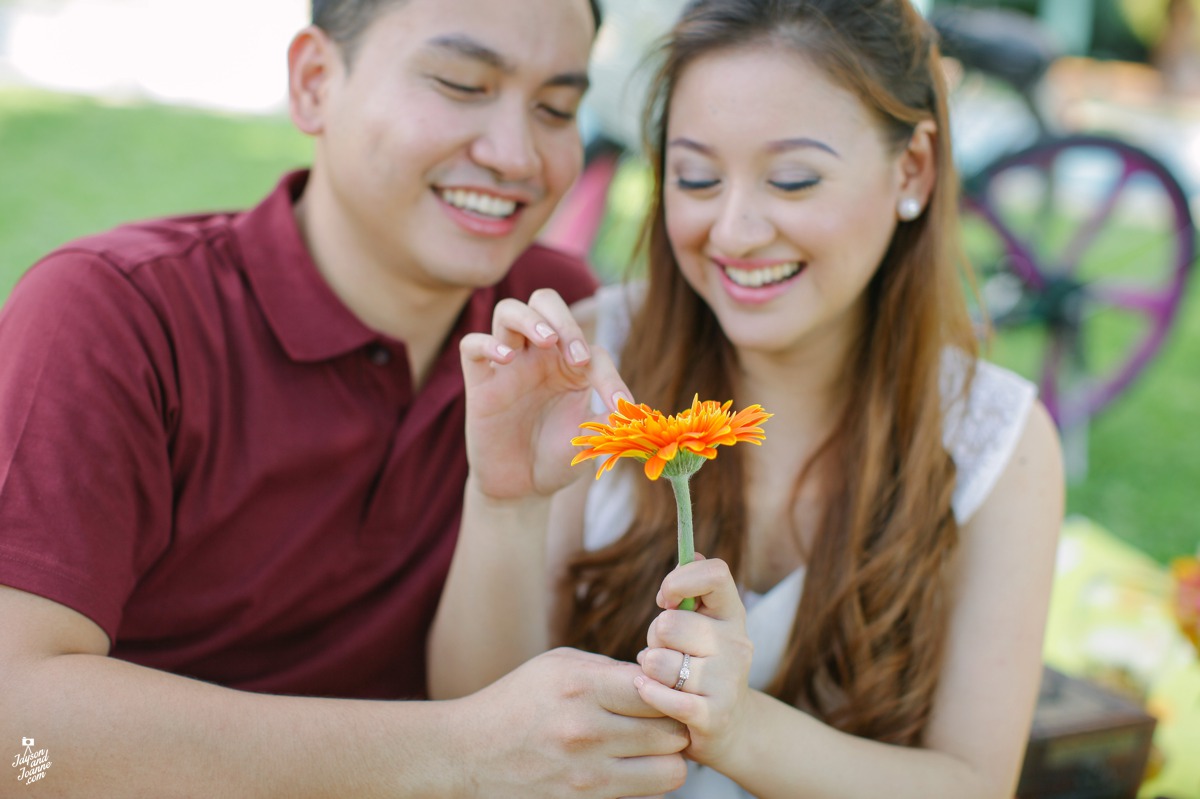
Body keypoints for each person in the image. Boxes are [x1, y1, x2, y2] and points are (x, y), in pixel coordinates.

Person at [0, 0, 691, 795]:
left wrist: (509, 508)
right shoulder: (114, 315)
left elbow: (513, 732)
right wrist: (457, 750)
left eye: (556, 108)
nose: (516, 155)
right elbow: (18, 735)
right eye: (463, 84)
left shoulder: (548, 323)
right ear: (315, 82)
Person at [431, 0, 1065, 796]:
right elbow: (469, 730)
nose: (731, 232)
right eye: (696, 176)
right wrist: (505, 502)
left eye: (792, 178)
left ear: (913, 170)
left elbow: (973, 783)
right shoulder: (591, 365)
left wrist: (740, 727)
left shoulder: (997, 441)